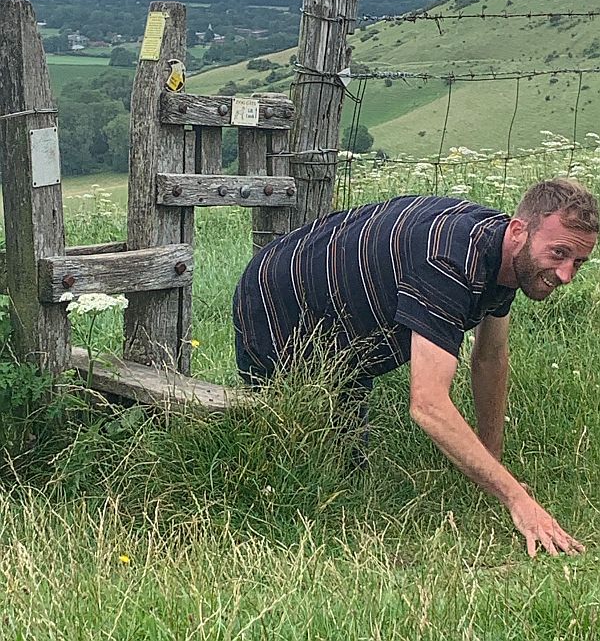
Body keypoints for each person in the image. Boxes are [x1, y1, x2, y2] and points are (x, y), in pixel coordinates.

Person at [233, 178, 598, 557]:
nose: (566, 275)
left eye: (579, 262)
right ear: (520, 231)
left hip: (349, 320)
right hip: (276, 295)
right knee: (283, 457)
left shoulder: (506, 255)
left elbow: (490, 359)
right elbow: (428, 404)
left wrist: (491, 464)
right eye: (558, 254)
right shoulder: (449, 262)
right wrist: (518, 501)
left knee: (346, 471)